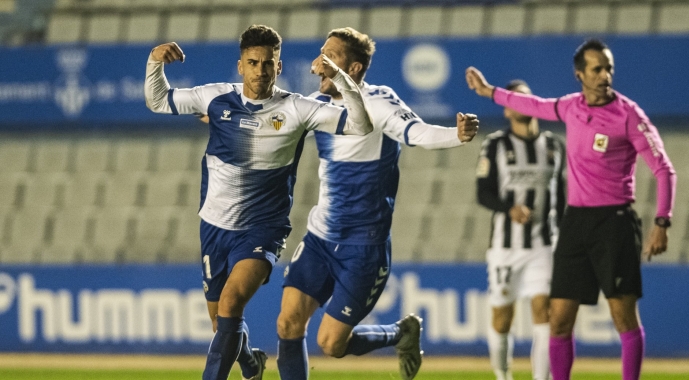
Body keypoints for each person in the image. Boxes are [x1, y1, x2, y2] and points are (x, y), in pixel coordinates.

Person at [144, 25, 373, 380]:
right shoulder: (216, 98)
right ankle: (250, 360)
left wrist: (340, 78)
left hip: (262, 229)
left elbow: (360, 125)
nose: (261, 71)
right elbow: (159, 101)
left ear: (278, 68)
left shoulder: (297, 108)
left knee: (232, 304)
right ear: (240, 66)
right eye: (253, 62)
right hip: (214, 226)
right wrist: (153, 63)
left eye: (268, 63)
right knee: (221, 320)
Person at [275, 27, 479, 380]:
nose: (318, 64)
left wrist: (455, 136)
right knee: (288, 324)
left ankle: (401, 333)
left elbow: (415, 132)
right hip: (320, 239)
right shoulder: (318, 105)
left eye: (330, 56)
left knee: (331, 344)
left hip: (363, 248)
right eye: (320, 54)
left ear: (353, 69)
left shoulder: (378, 101)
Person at [466, 38, 676, 380]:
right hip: (576, 223)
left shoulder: (628, 115)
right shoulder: (569, 107)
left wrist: (662, 221)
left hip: (615, 222)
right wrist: (490, 92)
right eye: (597, 69)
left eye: (609, 67)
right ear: (580, 74)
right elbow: (532, 104)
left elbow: (664, 169)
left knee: (623, 317)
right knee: (558, 319)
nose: (605, 74)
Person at [477, 79, 565, 380]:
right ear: (505, 109)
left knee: (545, 312)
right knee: (502, 317)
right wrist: (508, 208)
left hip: (543, 244)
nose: (520, 104)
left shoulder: (553, 145)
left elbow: (561, 197)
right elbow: (482, 193)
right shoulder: (495, 144)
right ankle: (503, 376)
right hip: (505, 247)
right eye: (513, 99)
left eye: (526, 98)